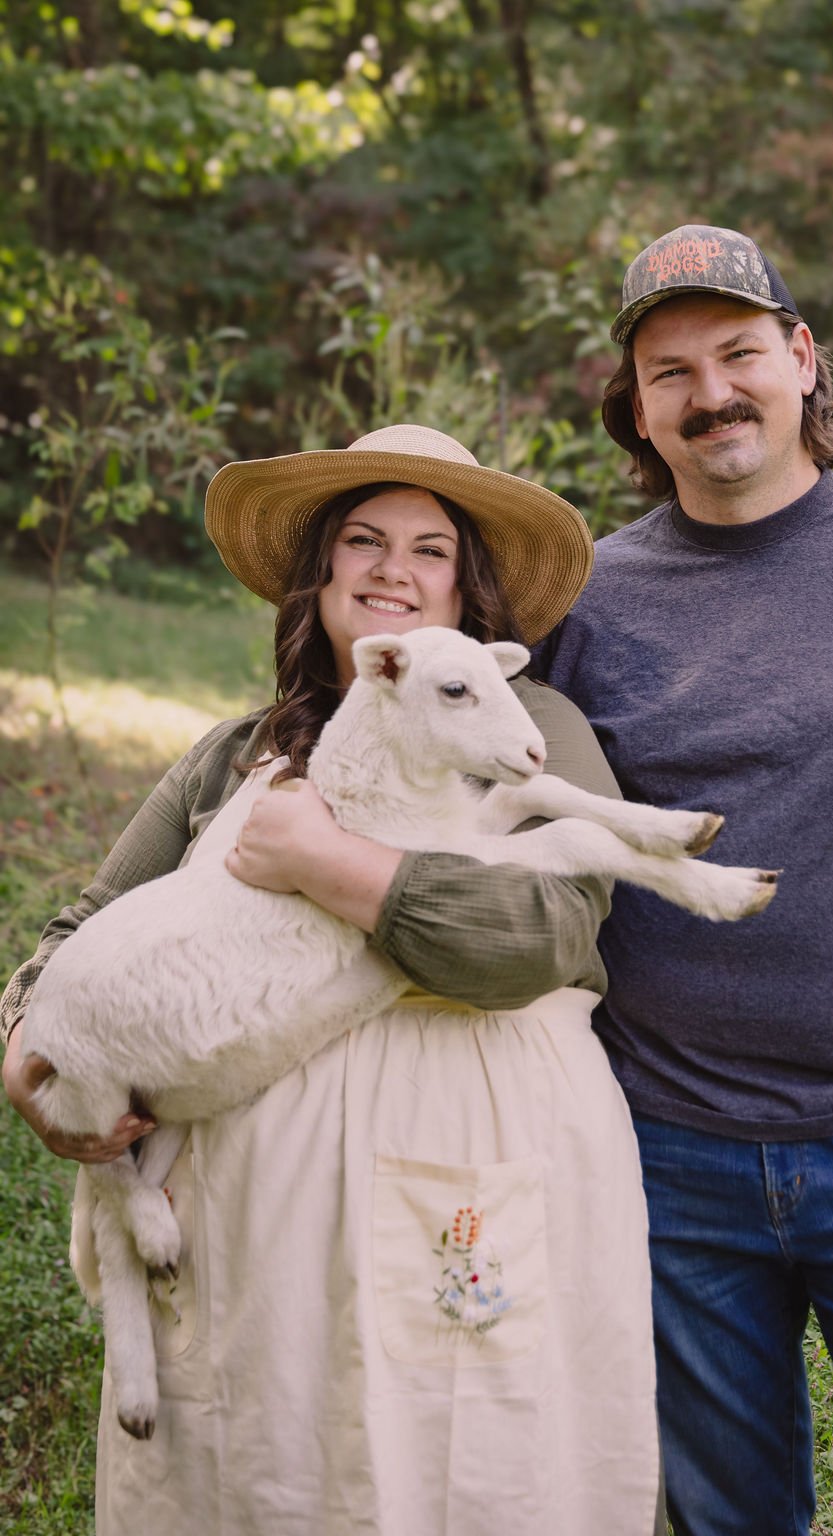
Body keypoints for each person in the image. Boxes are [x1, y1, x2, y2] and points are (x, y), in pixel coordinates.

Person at [1, 424, 663, 1536]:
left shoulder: (532, 730)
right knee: (263, 1458)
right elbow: (84, 928)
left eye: (428, 548)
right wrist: (28, 1047)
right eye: (361, 540)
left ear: (468, 588)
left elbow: (541, 935)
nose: (391, 569)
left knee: (468, 1456)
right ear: (321, 577)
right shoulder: (236, 751)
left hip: (468, 1163)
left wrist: (330, 865)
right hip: (246, 1205)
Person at [532, 223, 833, 1535]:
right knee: (716, 1521)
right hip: (658, 1162)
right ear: (637, 409)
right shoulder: (583, 602)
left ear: (803, 361)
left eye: (740, 352)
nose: (712, 393)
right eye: (670, 371)